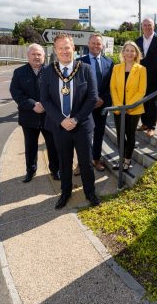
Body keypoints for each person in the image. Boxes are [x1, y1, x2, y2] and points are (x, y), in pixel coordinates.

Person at [40, 33, 100, 209]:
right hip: (60, 127)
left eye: (67, 47)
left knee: (86, 162)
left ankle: (90, 193)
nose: (64, 51)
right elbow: (45, 99)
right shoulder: (48, 71)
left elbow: (92, 98)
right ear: (55, 51)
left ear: (73, 48)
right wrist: (61, 120)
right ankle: (65, 193)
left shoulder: (86, 69)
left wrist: (75, 119)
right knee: (64, 162)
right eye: (60, 48)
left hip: (81, 125)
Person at [10, 44, 60, 183]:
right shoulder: (19, 72)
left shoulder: (53, 71)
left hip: (49, 116)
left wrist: (45, 105)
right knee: (30, 146)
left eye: (39, 54)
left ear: (44, 56)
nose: (37, 57)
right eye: (34, 54)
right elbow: (16, 93)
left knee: (53, 145)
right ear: (28, 56)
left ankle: (55, 170)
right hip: (28, 117)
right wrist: (33, 105)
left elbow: (57, 92)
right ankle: (30, 171)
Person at [78, 33, 114, 171]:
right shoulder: (80, 62)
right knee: (82, 135)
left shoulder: (109, 62)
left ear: (102, 46)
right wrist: (91, 99)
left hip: (102, 105)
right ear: (88, 44)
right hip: (84, 105)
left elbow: (111, 85)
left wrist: (103, 99)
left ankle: (96, 159)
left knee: (99, 133)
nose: (95, 46)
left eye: (98, 43)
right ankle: (81, 163)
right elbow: (78, 85)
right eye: (93, 43)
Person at [110, 41, 146, 171]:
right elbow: (113, 87)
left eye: (133, 50)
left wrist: (129, 106)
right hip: (119, 109)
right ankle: (121, 159)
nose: (130, 53)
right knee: (120, 135)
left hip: (134, 109)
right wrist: (119, 106)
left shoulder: (142, 69)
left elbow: (141, 91)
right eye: (127, 50)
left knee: (130, 135)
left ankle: (127, 160)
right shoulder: (116, 68)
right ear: (123, 52)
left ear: (136, 53)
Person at [135, 18, 157, 137]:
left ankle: (151, 126)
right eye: (145, 25)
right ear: (142, 26)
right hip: (140, 76)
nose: (147, 27)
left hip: (155, 76)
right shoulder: (137, 41)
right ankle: (144, 123)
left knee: (153, 101)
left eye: (150, 25)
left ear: (154, 26)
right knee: (142, 100)